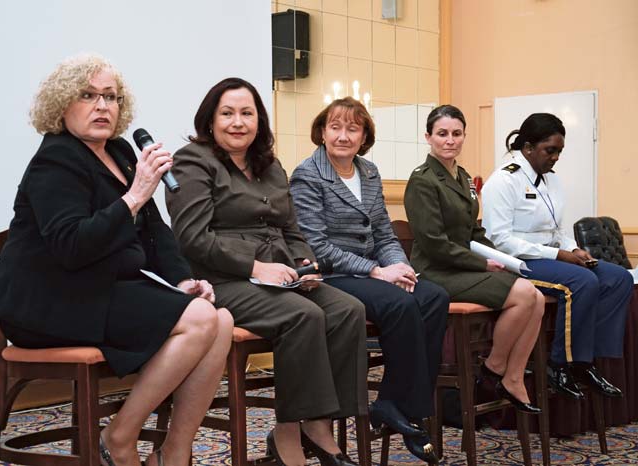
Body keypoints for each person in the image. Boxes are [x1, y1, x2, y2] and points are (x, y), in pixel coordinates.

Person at [0, 54, 233, 466]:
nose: (102, 106)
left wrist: (181, 281)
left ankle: (175, 451)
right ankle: (119, 437)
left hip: (101, 288)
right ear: (61, 104)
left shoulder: (122, 151)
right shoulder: (56, 160)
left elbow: (156, 232)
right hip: (50, 299)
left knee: (221, 320)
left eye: (111, 97)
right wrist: (135, 195)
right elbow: (72, 246)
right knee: (199, 321)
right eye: (87, 95)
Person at [165, 78, 367, 466]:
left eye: (247, 113)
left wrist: (305, 265)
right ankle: (288, 432)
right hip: (220, 280)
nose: (237, 122)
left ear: (259, 120)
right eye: (227, 113)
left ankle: (319, 424)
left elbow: (291, 229)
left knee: (347, 310)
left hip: (279, 273)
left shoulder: (270, 165)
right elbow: (192, 238)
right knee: (302, 316)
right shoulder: (191, 161)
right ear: (210, 120)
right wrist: (255, 266)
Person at [289, 97, 448, 465]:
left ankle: (394, 403)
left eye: (352, 128)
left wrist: (400, 268)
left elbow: (384, 234)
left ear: (364, 136)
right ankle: (407, 410)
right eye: (335, 127)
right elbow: (317, 246)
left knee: (434, 297)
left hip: (375, 271)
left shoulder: (370, 172)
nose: (343, 136)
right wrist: (378, 271)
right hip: (332, 275)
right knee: (400, 303)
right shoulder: (308, 174)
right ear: (322, 132)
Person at [404, 105, 545, 414]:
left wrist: (503, 258)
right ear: (428, 137)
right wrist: (482, 264)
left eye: (456, 133)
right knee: (523, 295)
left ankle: (513, 376)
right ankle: (494, 367)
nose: (450, 140)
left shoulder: (464, 177)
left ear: (464, 136)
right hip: (435, 272)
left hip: (463, 268)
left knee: (535, 296)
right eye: (442, 134)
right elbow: (433, 244)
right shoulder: (423, 180)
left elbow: (475, 231)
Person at [481, 112, 633, 399]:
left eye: (559, 151)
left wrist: (573, 248)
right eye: (550, 150)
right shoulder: (503, 181)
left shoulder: (552, 181)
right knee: (582, 282)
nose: (555, 157)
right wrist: (558, 254)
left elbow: (556, 229)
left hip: (551, 258)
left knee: (618, 278)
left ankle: (586, 362)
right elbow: (499, 240)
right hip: (518, 262)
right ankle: (560, 365)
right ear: (527, 147)